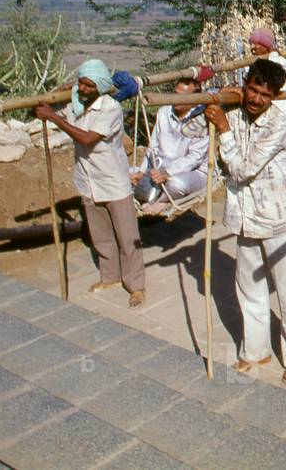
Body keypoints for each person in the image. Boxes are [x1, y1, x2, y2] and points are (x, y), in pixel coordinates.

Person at [204, 59, 286, 382]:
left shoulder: (279, 125)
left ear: (275, 96)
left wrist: (223, 127)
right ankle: (255, 351)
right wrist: (221, 104)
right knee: (249, 289)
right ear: (244, 84)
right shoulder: (235, 115)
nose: (256, 99)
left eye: (265, 94)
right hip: (244, 218)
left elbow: (242, 168)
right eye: (252, 89)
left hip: (277, 219)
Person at [34, 59, 146, 309]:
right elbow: (48, 108)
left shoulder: (110, 108)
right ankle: (110, 277)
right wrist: (53, 102)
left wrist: (53, 117)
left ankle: (136, 286)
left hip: (113, 181)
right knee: (101, 236)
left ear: (100, 86)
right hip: (88, 180)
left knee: (128, 238)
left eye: (88, 85)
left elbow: (86, 139)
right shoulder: (76, 105)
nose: (83, 89)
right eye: (80, 83)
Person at [130, 77, 209, 211]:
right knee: (125, 173)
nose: (176, 99)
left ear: (194, 101)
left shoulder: (200, 119)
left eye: (182, 97)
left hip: (193, 172)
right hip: (161, 167)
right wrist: (142, 171)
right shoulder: (164, 112)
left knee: (176, 184)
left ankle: (160, 202)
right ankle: (149, 195)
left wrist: (168, 173)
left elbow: (195, 158)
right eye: (175, 94)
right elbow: (153, 146)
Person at [247, 27, 286, 131]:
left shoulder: (278, 61)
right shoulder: (256, 63)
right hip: (268, 118)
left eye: (257, 44)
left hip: (284, 115)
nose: (253, 48)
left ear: (265, 46)